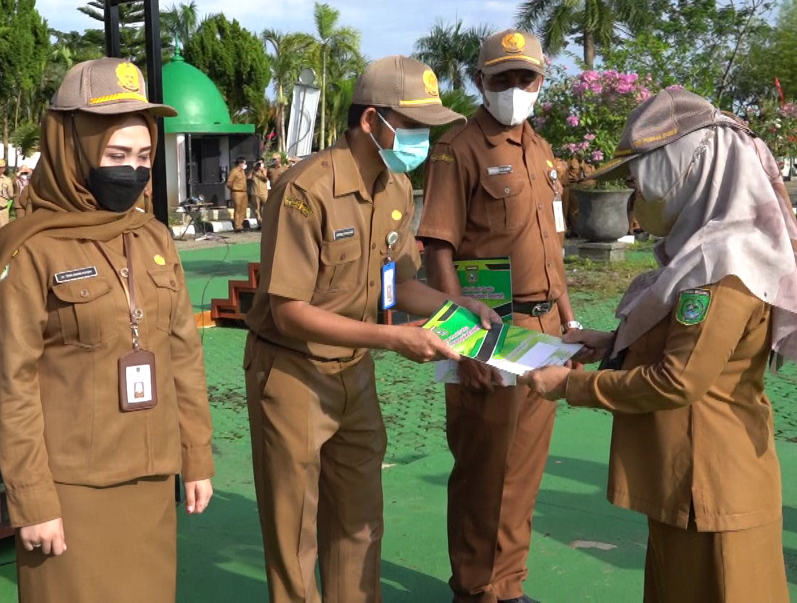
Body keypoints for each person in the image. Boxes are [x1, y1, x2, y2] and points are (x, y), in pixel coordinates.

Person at [523, 88, 797, 603]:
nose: (635, 195)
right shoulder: (701, 253)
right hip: (686, 483)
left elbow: (679, 379)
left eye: (641, 177)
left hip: (710, 491)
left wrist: (570, 387)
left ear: (684, 170)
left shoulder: (722, 266)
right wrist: (611, 342)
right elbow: (690, 344)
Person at [243, 55, 500, 603]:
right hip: (292, 371)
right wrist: (394, 338)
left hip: (354, 372)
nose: (422, 140)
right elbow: (288, 310)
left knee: (359, 524)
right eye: (413, 126)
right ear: (370, 121)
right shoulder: (305, 190)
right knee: (294, 537)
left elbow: (397, 286)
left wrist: (458, 307)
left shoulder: (397, 188)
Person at [0, 58, 215, 603]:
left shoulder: (153, 238)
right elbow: (15, 387)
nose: (133, 170)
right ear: (74, 149)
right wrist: (34, 499)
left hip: (151, 480)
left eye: (144, 156)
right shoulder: (31, 250)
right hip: (72, 492)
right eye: (116, 155)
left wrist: (196, 456)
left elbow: (184, 356)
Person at [417, 29, 577, 603]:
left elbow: (552, 248)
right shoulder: (458, 149)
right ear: (479, 81)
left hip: (544, 329)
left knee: (523, 471)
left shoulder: (541, 150)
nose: (514, 88)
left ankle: (507, 585)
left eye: (524, 77)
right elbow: (437, 249)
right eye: (501, 78)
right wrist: (462, 343)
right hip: (488, 330)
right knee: (485, 472)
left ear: (541, 81)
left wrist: (568, 323)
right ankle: (475, 589)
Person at [227, 156, 248, 225]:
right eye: (244, 163)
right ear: (240, 163)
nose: (245, 165)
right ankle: (237, 224)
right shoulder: (234, 171)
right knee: (238, 208)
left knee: (243, 209)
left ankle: (240, 224)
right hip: (237, 192)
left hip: (244, 192)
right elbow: (229, 183)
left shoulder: (243, 171)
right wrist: (233, 189)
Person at [250, 159, 269, 224]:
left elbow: (265, 179)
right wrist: (253, 169)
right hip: (255, 192)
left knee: (267, 207)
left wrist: (261, 171)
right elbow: (248, 177)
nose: (259, 165)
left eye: (261, 163)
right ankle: (259, 222)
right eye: (258, 163)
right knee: (256, 209)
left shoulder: (265, 170)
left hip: (263, 192)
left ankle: (266, 221)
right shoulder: (253, 171)